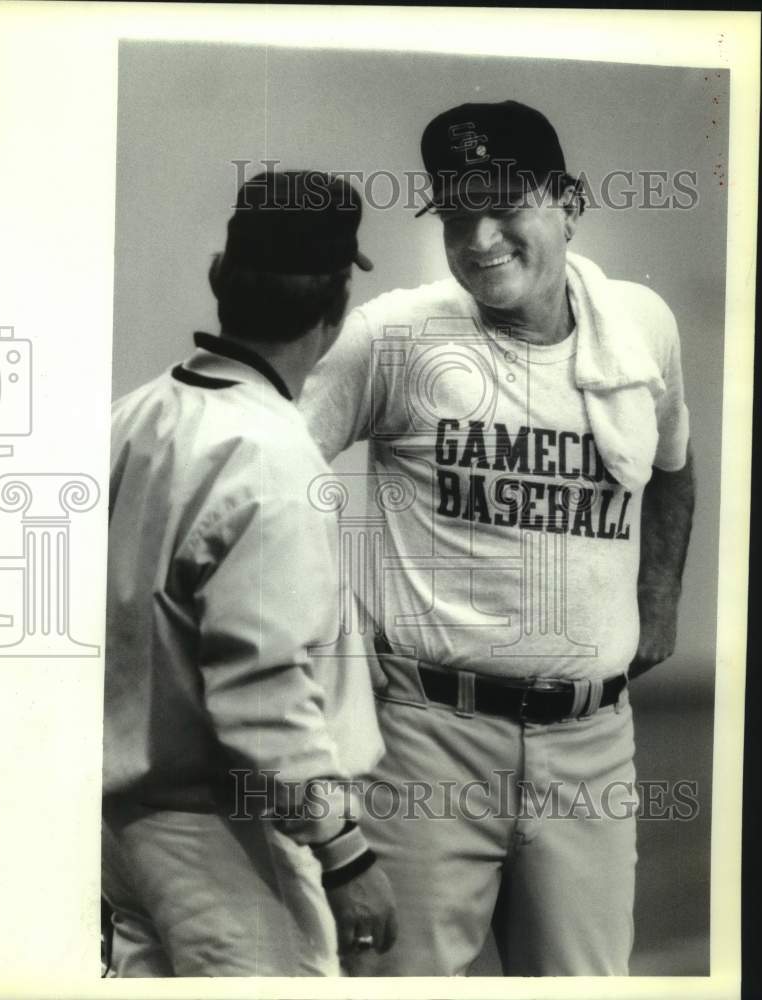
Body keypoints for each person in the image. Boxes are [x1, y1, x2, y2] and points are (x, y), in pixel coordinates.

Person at [298, 101, 695, 976]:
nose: (479, 239)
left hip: (593, 744)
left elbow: (671, 465)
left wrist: (656, 605)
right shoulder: (396, 337)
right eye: (455, 213)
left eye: (506, 205)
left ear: (568, 202)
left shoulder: (640, 328)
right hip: (428, 734)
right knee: (395, 984)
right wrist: (321, 638)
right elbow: (267, 473)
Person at [101, 169, 397, 977]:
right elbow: (263, 685)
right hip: (229, 841)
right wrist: (345, 856)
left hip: (124, 830)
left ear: (219, 281)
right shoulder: (273, 458)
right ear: (335, 310)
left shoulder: (135, 416)